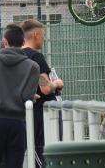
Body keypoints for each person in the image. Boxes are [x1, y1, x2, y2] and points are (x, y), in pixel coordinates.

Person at [0, 23, 39, 168]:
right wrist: (32, 98)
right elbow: (27, 97)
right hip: (17, 123)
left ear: (4, 41)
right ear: (23, 42)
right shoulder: (32, 66)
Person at [21, 19, 64, 168]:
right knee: (43, 151)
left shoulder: (16, 55)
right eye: (43, 34)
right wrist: (58, 83)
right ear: (36, 35)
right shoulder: (36, 56)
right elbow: (45, 88)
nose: (44, 38)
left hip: (24, 112)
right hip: (41, 113)